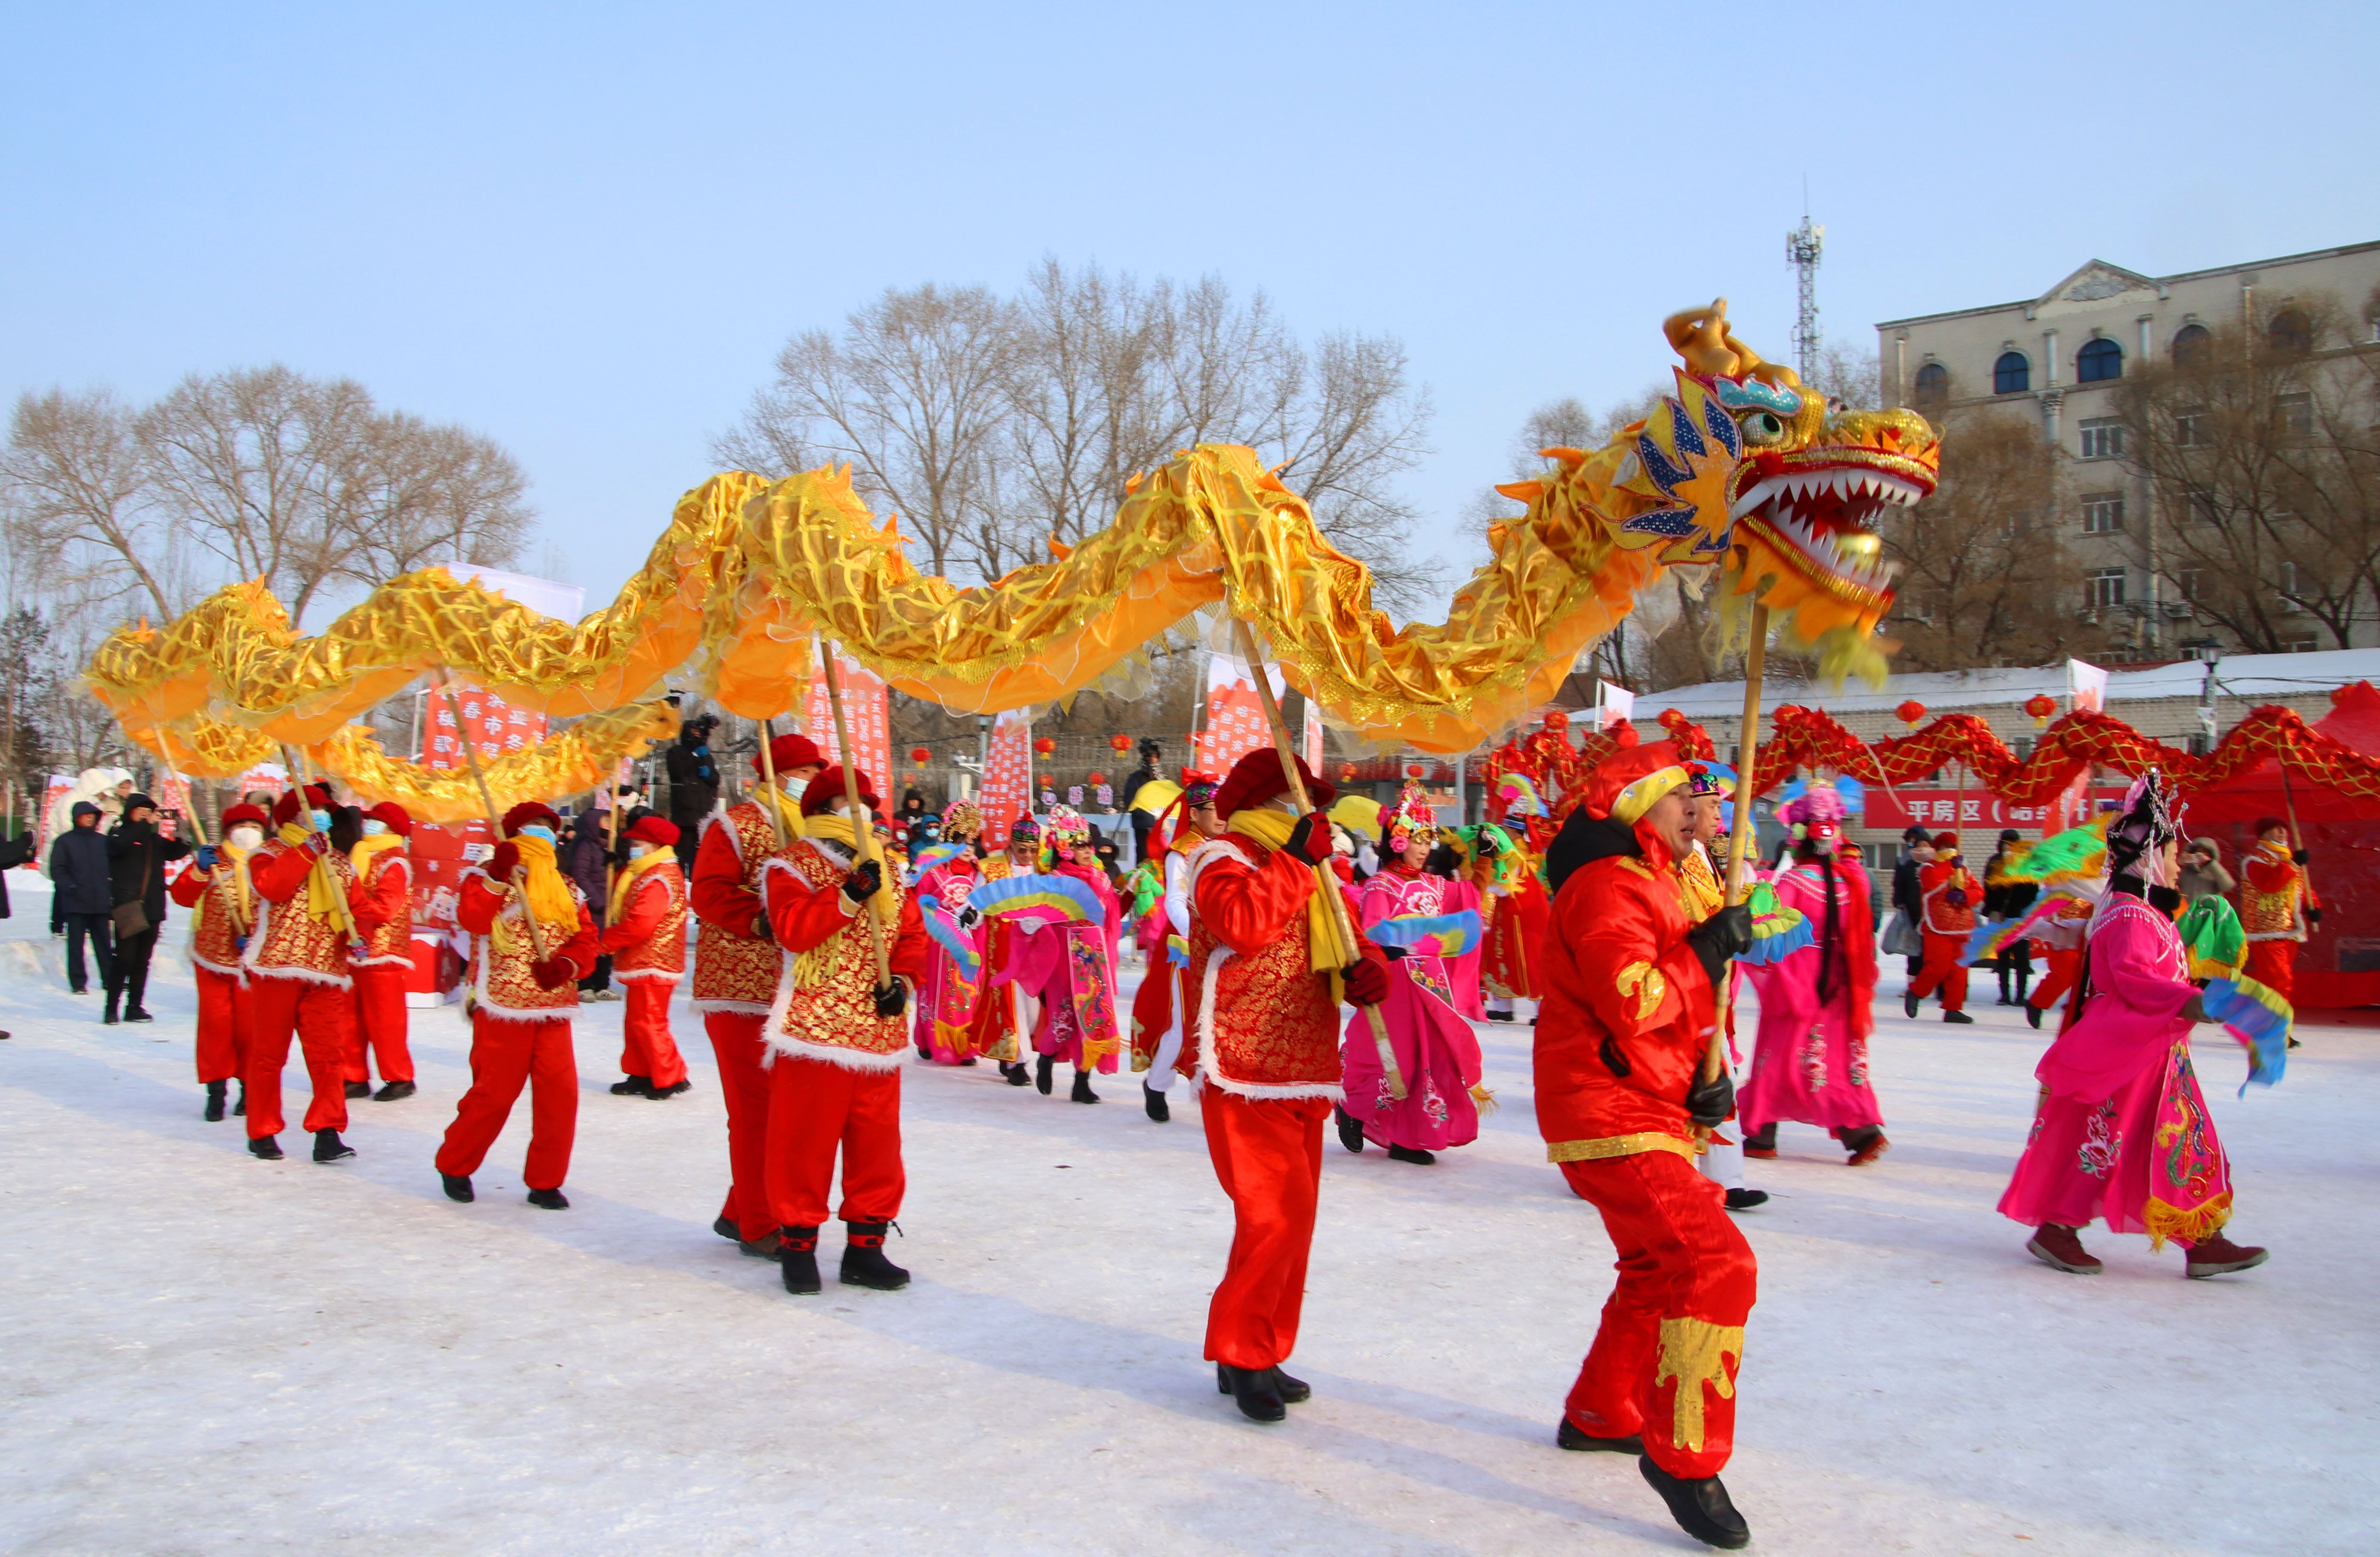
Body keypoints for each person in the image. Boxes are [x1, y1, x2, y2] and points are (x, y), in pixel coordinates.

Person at [1536, 738, 1758, 1551]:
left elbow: (1674, 1013)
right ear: (1638, 806)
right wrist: (1704, 952)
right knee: (1715, 1263)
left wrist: (1706, 1082)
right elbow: (1633, 999)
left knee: (1653, 1267)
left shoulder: (1661, 879)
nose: (1698, 812)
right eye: (1681, 798)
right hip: (1604, 1106)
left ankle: (1601, 1411)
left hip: (1644, 1100)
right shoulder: (1606, 886)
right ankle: (1685, 1456)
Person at [1177, 749, 1390, 1424]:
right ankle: (1242, 1351)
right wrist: (1296, 862)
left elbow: (1349, 935)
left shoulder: (1310, 865)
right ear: (1267, 802)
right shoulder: (1221, 858)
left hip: (1304, 1059)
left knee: (1293, 1221)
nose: (1313, 812)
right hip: (1242, 1062)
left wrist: (1369, 972)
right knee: (1270, 1216)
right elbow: (1242, 926)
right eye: (1300, 799)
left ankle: (1258, 1345)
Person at [1997, 774, 2270, 1280]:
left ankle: (2201, 1236)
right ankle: (2058, 1227)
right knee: (2104, 1142)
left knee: (2181, 1138)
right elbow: (2135, 980)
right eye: (2169, 854)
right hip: (2127, 1050)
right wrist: (2195, 1001)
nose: (2177, 864)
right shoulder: (2128, 915)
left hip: (2156, 1051)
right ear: (2148, 858)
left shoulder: (2144, 911)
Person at [757, 764, 932, 1295]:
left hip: (877, 1032)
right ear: (822, 809)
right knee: (803, 1143)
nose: (861, 814)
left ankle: (866, 1247)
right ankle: (798, 1246)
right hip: (815, 1026)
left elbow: (912, 935)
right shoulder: (792, 865)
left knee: (876, 1146)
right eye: (846, 804)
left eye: (867, 805)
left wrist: (901, 980)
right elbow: (792, 930)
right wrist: (848, 896)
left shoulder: (892, 867)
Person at [690, 730, 824, 1257]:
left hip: (797, 992)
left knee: (786, 1113)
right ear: (780, 774)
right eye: (807, 774)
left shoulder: (814, 833)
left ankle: (740, 1208)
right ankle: (759, 1224)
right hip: (740, 991)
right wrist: (768, 920)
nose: (813, 784)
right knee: (756, 1112)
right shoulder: (736, 826)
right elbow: (709, 893)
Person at [436, 801, 600, 1208]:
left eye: (548, 827)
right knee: (494, 1093)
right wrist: (496, 876)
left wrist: (568, 964)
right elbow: (473, 919)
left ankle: (546, 1180)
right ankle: (456, 1162)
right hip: (502, 1004)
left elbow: (586, 937)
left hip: (553, 1005)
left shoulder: (567, 886)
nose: (541, 835)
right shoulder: (486, 877)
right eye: (532, 828)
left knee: (560, 1096)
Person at [1335, 780, 1486, 1166]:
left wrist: (1482, 861)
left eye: (1428, 840)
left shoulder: (1436, 885)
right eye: (1416, 838)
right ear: (1398, 839)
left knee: (1433, 1056)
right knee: (1395, 1057)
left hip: (1432, 985)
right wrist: (1389, 945)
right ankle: (1358, 1112)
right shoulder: (1380, 885)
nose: (1423, 848)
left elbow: (1469, 903)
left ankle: (1412, 1135)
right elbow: (1372, 935)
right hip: (1397, 984)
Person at [1739, 789, 1887, 1166]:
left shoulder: (1792, 883)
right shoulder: (1852, 882)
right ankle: (1861, 1131)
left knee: (1779, 1057)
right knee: (1835, 1057)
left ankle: (1761, 1133)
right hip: (1841, 980)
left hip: (1797, 978)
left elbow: (1766, 930)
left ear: (1796, 838)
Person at [242, 784, 370, 1163]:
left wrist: (361, 935)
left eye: (325, 812)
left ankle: (327, 1131)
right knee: (269, 1055)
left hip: (327, 972)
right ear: (291, 816)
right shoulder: (268, 854)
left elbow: (359, 909)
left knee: (328, 1055)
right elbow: (273, 886)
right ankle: (262, 1129)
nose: (323, 817)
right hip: (277, 969)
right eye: (313, 810)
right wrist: (306, 852)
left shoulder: (341, 864)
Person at [1004, 804, 1124, 1104]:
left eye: (1089, 844)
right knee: (1065, 1015)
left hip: (1093, 955)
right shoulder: (1055, 881)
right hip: (1063, 957)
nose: (1087, 850)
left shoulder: (1100, 877)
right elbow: (1036, 920)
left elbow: (1110, 918)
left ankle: (1082, 1082)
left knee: (1094, 1016)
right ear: (1066, 848)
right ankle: (1046, 1057)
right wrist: (1032, 923)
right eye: (1080, 844)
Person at [1128, 771, 1221, 1122]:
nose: (1221, 816)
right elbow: (1175, 901)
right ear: (1195, 813)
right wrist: (1198, 939)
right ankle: (1157, 1083)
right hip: (1186, 947)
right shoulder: (1181, 852)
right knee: (1186, 1025)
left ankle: (1217, 1096)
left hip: (1224, 946)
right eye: (1213, 809)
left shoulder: (1228, 848)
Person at [169, 802, 267, 1120]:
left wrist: (255, 938)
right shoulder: (213, 861)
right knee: (215, 1028)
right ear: (228, 831)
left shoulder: (267, 862)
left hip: (251, 961)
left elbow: (280, 903)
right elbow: (182, 896)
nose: (249, 832)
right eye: (243, 826)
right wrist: (198, 871)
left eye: (256, 826)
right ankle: (215, 1090)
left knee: (249, 1031)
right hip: (212, 958)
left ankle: (249, 1091)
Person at [601, 814, 693, 1099]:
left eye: (638, 842)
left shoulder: (659, 877)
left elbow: (642, 923)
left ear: (654, 845)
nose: (634, 847)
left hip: (655, 961)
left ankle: (669, 1075)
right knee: (637, 1021)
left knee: (649, 1022)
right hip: (644, 960)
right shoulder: (646, 872)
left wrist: (606, 941)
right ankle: (641, 1072)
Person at [344, 801, 418, 1101]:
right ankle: (353, 1076)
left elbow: (386, 907)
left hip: (383, 952)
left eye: (377, 821)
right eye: (369, 820)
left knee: (386, 1021)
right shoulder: (359, 855)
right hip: (352, 949)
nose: (369, 825)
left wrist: (350, 906)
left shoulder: (395, 862)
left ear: (393, 830)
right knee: (348, 1019)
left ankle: (400, 1077)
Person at [101, 793, 191, 1024]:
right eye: (140, 810)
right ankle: (112, 1008)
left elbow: (178, 852)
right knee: (124, 959)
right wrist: (145, 824)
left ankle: (135, 1007)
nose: (145, 814)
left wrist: (183, 830)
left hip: (152, 907)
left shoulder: (153, 841)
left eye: (149, 811)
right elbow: (119, 846)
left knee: (143, 961)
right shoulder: (119, 833)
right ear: (129, 811)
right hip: (128, 907)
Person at [910, 800, 985, 1065]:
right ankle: (931, 1040)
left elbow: (984, 903)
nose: (969, 849)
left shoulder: (980, 872)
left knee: (968, 989)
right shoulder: (934, 870)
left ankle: (965, 1044)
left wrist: (975, 914)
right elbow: (918, 902)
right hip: (938, 941)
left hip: (968, 939)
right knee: (936, 991)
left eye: (973, 843)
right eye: (963, 842)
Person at [2240, 818, 2317, 1011]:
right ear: (2264, 834)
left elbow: (2301, 887)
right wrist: (2293, 865)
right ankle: (2272, 1026)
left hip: (2289, 929)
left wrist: (2313, 907)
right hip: (2266, 930)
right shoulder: (2255, 860)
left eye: (2284, 829)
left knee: (2283, 980)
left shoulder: (2287, 859)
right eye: (2277, 830)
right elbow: (2270, 885)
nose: (2282, 833)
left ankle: (2277, 1025)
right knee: (2277, 980)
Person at [1904, 832, 1976, 1024]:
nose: (1950, 850)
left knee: (1959, 972)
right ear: (1937, 849)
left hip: (1962, 927)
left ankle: (1954, 1008)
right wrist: (1950, 866)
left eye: (1953, 846)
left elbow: (1979, 891)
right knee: (1938, 968)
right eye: (1945, 847)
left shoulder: (1963, 869)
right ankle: (1916, 992)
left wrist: (1966, 896)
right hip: (1938, 927)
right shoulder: (1929, 868)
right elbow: (1932, 882)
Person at [50, 801, 116, 1001]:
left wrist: (111, 890)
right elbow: (58, 869)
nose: (90, 818)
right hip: (76, 902)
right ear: (76, 817)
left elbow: (114, 867)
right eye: (86, 815)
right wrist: (70, 887)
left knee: (104, 944)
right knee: (76, 945)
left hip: (100, 902)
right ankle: (78, 982)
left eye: (93, 815)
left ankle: (110, 979)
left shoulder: (103, 841)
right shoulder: (65, 842)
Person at [665, 712, 723, 873]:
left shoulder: (706, 755)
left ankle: (697, 883)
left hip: (704, 814)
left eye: (700, 732)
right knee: (681, 854)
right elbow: (678, 772)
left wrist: (707, 769)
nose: (697, 735)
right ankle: (678, 881)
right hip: (684, 816)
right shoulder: (676, 752)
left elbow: (715, 779)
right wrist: (695, 757)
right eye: (694, 731)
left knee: (702, 857)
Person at [1887, 825, 1932, 983]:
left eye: (1925, 845)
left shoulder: (1936, 865)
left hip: (1933, 916)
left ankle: (1929, 983)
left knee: (1931, 951)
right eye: (1913, 843)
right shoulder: (1906, 863)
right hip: (1912, 913)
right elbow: (1899, 885)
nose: (1920, 848)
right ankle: (1914, 984)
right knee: (1914, 951)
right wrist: (1899, 902)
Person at [2177, 837, 2235, 903]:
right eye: (2197, 852)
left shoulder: (2215, 872)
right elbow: (2171, 886)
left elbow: (2228, 886)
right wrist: (2178, 865)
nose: (2200, 855)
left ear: (2211, 854)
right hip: (2187, 911)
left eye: (2204, 852)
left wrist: (2211, 864)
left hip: (2210, 912)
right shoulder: (2185, 871)